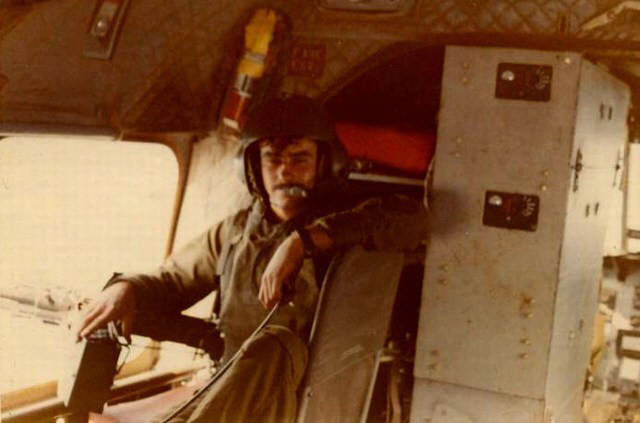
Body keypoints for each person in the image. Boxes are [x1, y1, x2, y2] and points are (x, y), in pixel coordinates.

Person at [75, 95, 428, 423]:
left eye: (299, 158)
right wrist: (125, 289)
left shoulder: (348, 226)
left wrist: (303, 241)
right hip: (230, 387)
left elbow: (414, 220)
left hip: (301, 398)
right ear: (252, 167)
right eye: (272, 158)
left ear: (323, 163)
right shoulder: (235, 233)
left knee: (275, 343)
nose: (285, 171)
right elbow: (171, 280)